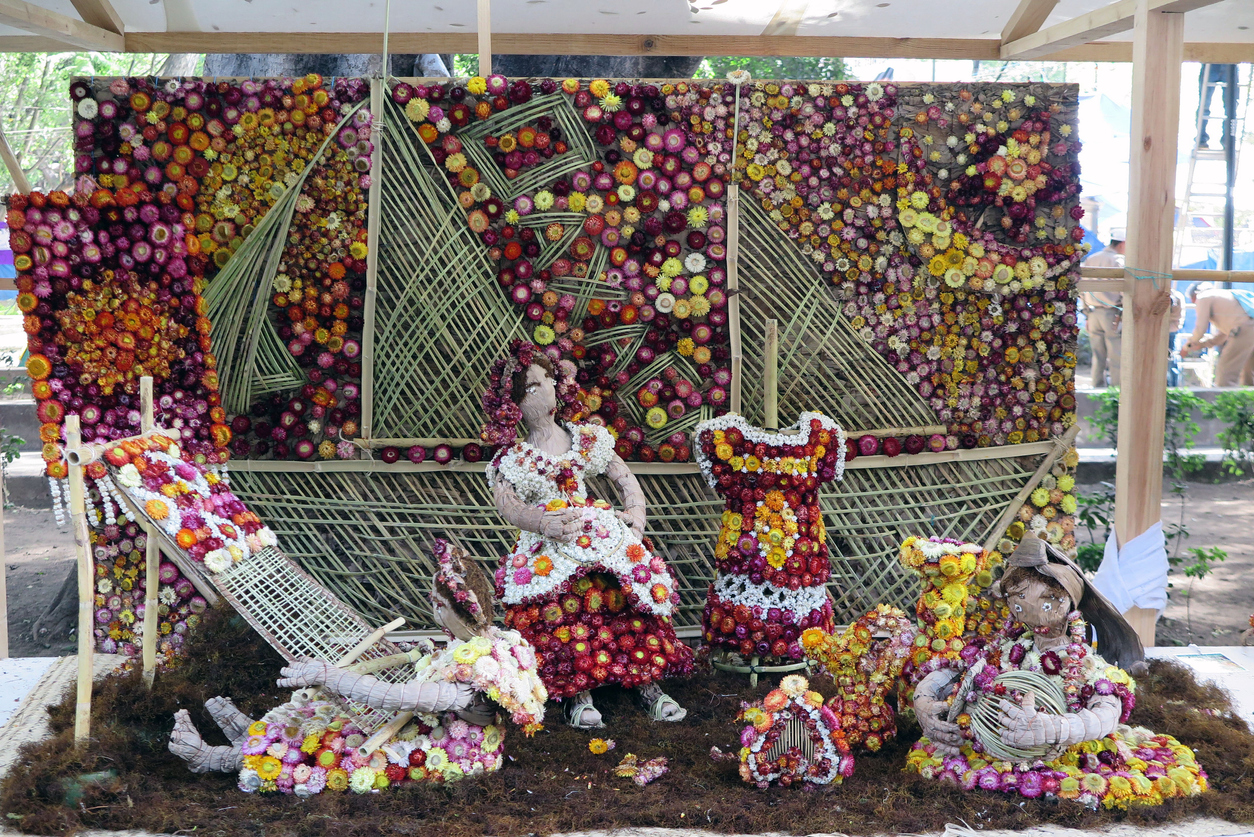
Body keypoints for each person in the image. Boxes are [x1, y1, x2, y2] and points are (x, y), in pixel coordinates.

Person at [167, 540, 548, 793]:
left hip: (446, 752)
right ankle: (252, 735)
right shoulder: (479, 642)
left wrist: (326, 674)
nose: (431, 605)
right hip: (423, 725)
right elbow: (425, 675)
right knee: (326, 714)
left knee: (335, 751)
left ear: (451, 608)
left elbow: (394, 697)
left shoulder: (478, 671)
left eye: (436, 600)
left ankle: (211, 759)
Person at [482, 340, 693, 729]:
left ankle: (647, 683)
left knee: (630, 594)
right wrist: (543, 522)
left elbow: (622, 475)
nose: (544, 391)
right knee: (560, 605)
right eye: (531, 388)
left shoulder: (584, 437)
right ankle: (577, 692)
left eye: (547, 380)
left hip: (600, 532)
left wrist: (636, 513)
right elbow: (508, 507)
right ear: (511, 406)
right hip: (551, 541)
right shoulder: (512, 458)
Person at [906, 538, 1207, 808]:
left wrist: (1053, 729)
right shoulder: (1007, 648)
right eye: (1016, 600)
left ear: (1065, 601)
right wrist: (924, 700)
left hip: (1062, 757)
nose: (1022, 606)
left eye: (1040, 599)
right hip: (993, 746)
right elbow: (955, 670)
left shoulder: (1083, 664)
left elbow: (1106, 714)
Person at [1181, 283, 1254, 386]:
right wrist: (1203, 344)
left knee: (1226, 372)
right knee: (1249, 372)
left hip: (1245, 329)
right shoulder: (1224, 296)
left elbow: (1200, 328)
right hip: (1248, 328)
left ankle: (1225, 401)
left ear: (1194, 296)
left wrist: (1187, 346)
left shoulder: (1203, 297)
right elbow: (1224, 334)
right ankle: (1248, 401)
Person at [1081, 229, 1125, 387]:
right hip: (1112, 313)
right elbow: (1124, 291)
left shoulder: (1091, 259)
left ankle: (1097, 386)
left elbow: (1082, 288)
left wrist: (1086, 313)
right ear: (1122, 244)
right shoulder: (1118, 260)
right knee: (1116, 356)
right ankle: (1115, 390)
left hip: (1093, 313)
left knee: (1097, 355)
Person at [1197, 64, 1237, 150]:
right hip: (1212, 63)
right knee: (1204, 105)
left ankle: (1228, 140)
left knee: (1231, 107)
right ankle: (1201, 140)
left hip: (1230, 63)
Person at [1167, 288, 1186, 387]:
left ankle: (1172, 386)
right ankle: (1173, 387)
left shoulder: (1176, 296)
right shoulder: (1178, 295)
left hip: (1169, 331)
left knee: (1171, 359)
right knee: (1172, 359)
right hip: (1172, 330)